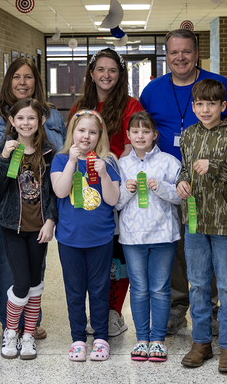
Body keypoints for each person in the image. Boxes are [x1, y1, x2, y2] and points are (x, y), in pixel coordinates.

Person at [139, 29, 227, 335]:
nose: (180, 58)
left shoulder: (219, 86)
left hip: (211, 185)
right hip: (168, 183)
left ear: (196, 53)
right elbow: (143, 132)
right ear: (166, 56)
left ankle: (211, 308)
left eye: (186, 51)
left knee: (207, 246)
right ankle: (178, 306)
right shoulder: (153, 90)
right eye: (173, 53)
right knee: (176, 246)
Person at [0, 57, 65, 338]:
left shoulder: (52, 114)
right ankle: (8, 325)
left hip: (39, 208)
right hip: (6, 205)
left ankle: (31, 323)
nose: (23, 82)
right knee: (9, 265)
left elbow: (58, 158)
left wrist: (52, 216)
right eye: (16, 76)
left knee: (35, 266)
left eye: (28, 77)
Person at [69, 48, 144, 336]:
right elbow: (73, 146)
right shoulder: (80, 107)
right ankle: (94, 312)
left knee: (116, 257)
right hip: (83, 193)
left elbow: (130, 148)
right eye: (100, 69)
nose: (106, 75)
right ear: (91, 73)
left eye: (112, 70)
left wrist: (112, 182)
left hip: (116, 189)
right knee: (91, 255)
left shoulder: (130, 105)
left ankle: (113, 312)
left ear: (120, 74)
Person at [176, 79, 227, 373]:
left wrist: (214, 166)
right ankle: (201, 341)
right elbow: (183, 167)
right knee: (198, 285)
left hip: (225, 222)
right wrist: (181, 181)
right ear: (193, 107)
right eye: (200, 104)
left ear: (222, 106)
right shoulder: (189, 134)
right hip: (194, 221)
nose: (205, 109)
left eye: (211, 104)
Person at [0, 98, 58, 361]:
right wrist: (5, 157)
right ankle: (11, 331)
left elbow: (52, 194)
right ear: (12, 121)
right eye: (20, 118)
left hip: (39, 228)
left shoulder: (49, 153)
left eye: (31, 118)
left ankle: (28, 335)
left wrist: (51, 220)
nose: (26, 123)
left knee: (35, 285)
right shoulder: (4, 149)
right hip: (12, 227)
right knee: (21, 284)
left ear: (40, 121)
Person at [51, 110, 121, 362]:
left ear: (99, 135)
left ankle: (101, 337)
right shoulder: (60, 160)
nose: (86, 136)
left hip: (100, 238)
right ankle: (78, 338)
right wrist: (72, 161)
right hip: (69, 239)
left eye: (92, 132)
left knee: (100, 288)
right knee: (75, 290)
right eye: (81, 130)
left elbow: (114, 199)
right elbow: (60, 192)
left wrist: (102, 173)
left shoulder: (110, 161)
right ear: (73, 132)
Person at [116, 111, 181, 362]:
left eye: (146, 131)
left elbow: (180, 196)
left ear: (155, 135)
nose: (140, 135)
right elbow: (115, 203)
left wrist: (161, 187)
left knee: (161, 288)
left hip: (163, 235)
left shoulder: (168, 162)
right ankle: (142, 339)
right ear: (129, 136)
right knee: (140, 289)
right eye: (135, 131)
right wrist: (126, 190)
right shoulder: (121, 165)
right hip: (132, 237)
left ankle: (158, 340)